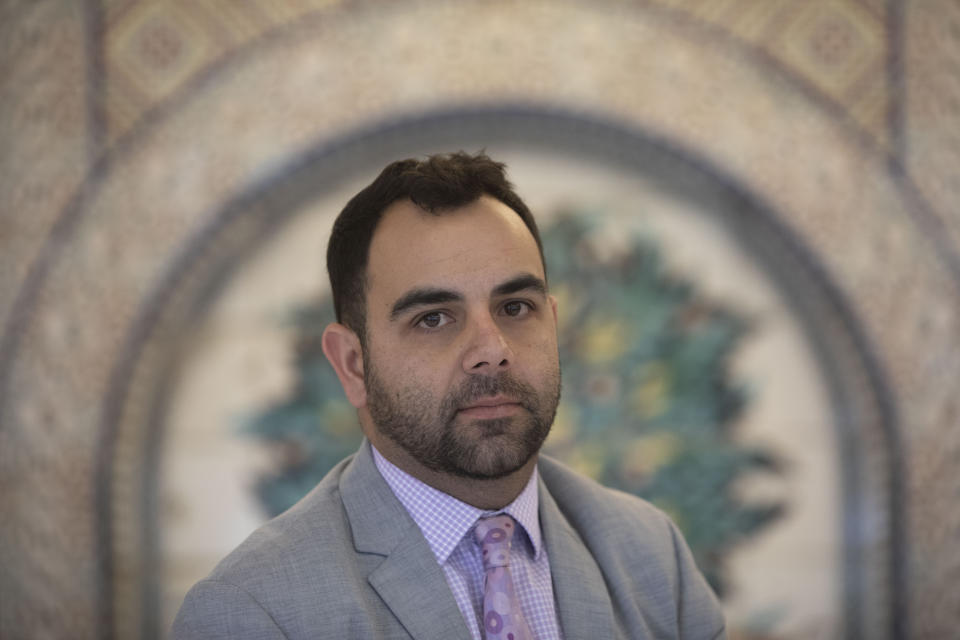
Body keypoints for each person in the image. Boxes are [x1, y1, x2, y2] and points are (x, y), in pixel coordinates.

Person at [172, 152, 726, 639]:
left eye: (515, 308)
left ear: (552, 325)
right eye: (433, 318)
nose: (492, 349)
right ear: (352, 364)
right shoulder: (254, 613)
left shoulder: (654, 558)